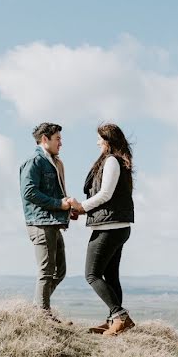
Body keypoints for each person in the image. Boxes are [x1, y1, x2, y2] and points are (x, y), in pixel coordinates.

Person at [70, 123, 135, 336]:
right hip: (118, 227)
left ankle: (120, 317)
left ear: (107, 141)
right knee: (111, 276)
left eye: (100, 138)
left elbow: (105, 194)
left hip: (110, 227)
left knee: (92, 274)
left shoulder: (111, 162)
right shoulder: (118, 162)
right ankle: (113, 320)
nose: (97, 142)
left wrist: (81, 207)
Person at [19, 122, 80, 317]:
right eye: (58, 139)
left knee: (59, 271)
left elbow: (54, 192)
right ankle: (42, 315)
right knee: (46, 271)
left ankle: (36, 308)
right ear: (45, 139)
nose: (61, 143)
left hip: (52, 222)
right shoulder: (35, 161)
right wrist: (58, 204)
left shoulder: (52, 161)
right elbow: (29, 192)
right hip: (41, 223)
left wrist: (67, 208)